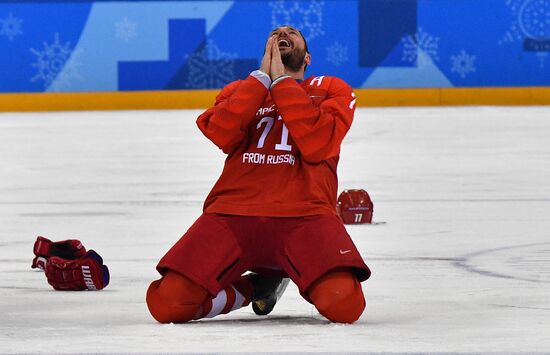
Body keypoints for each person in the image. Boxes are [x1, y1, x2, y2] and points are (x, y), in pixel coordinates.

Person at [146, 25, 371, 324]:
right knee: (168, 304)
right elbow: (220, 133)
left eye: (292, 32)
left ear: (307, 58)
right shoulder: (241, 90)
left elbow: (319, 143)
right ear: (265, 51)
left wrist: (281, 84)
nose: (283, 33)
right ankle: (256, 287)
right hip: (231, 214)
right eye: (276, 32)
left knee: (345, 305)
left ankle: (294, 274)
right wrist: (260, 82)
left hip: (306, 215)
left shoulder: (331, 88)